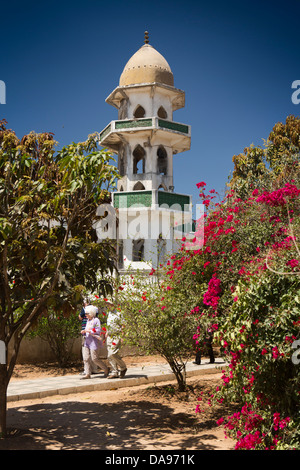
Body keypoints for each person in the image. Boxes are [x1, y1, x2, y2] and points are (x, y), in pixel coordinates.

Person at [80, 305, 110, 379]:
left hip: (93, 341)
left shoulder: (96, 320)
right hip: (87, 341)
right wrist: (84, 331)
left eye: (87, 314)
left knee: (94, 358)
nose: (86, 315)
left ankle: (106, 368)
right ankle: (87, 373)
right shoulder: (88, 320)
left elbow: (98, 330)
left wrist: (88, 331)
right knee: (86, 358)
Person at [105, 300, 127, 379]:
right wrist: (107, 332)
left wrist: (122, 336)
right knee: (109, 356)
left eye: (109, 304)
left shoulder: (119, 313)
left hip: (116, 336)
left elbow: (123, 325)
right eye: (107, 304)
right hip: (110, 336)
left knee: (112, 353)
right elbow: (109, 324)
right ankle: (114, 372)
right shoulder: (109, 313)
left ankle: (123, 367)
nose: (108, 305)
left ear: (113, 304)